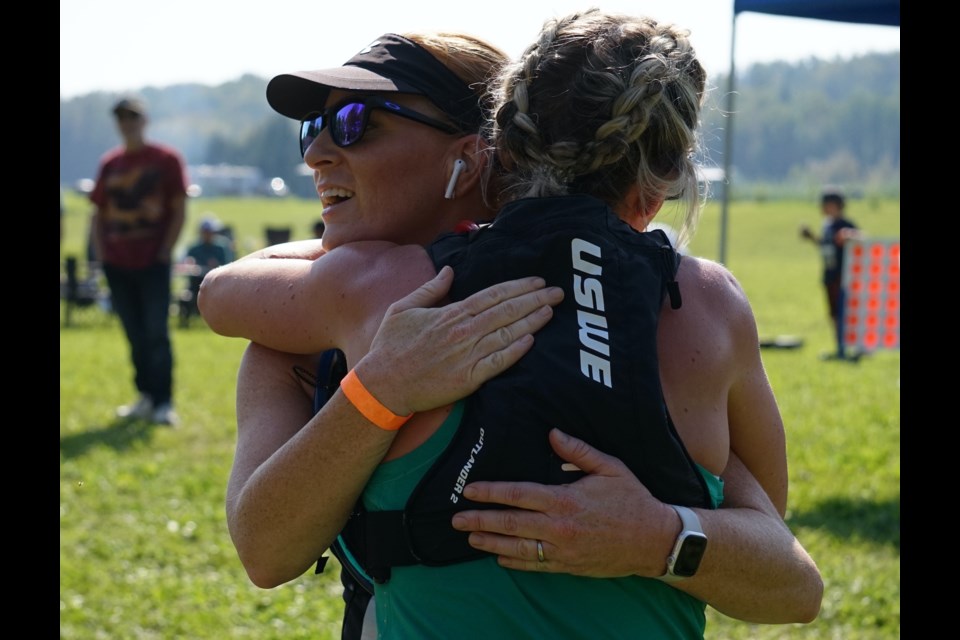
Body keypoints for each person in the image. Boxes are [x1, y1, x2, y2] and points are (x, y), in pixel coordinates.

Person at [200, 22, 821, 638]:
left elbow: (220, 291)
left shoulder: (358, 291)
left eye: (358, 121)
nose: (314, 151)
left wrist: (656, 536)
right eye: (313, 126)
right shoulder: (695, 306)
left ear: (480, 152)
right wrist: (380, 387)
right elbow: (782, 570)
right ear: (658, 184)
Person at [89, 96, 188, 426]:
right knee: (133, 333)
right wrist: (100, 254)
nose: (127, 124)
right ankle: (145, 396)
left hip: (152, 263)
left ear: (144, 121)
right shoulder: (110, 164)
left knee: (156, 332)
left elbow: (179, 207)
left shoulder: (165, 160)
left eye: (132, 117)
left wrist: (166, 249)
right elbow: (98, 212)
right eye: (121, 119)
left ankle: (164, 402)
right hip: (117, 264)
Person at [800, 188, 860, 360]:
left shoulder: (845, 224)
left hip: (843, 277)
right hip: (830, 276)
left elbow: (862, 239)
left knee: (845, 313)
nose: (822, 208)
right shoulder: (827, 226)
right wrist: (811, 237)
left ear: (835, 205)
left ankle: (849, 348)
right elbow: (826, 246)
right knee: (833, 314)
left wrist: (850, 235)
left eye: (825, 204)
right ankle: (840, 348)